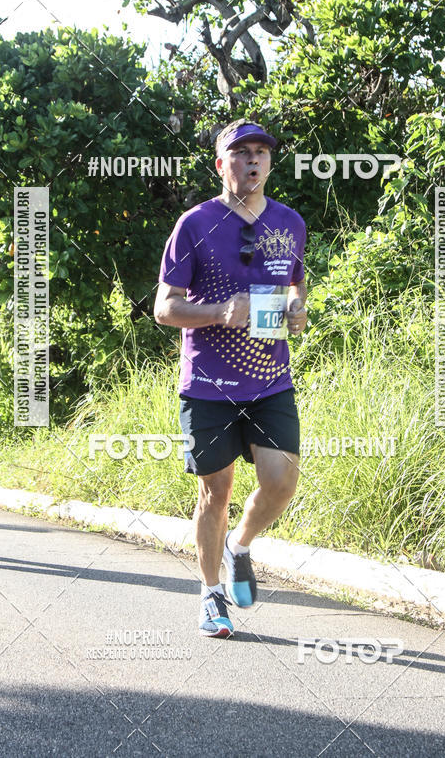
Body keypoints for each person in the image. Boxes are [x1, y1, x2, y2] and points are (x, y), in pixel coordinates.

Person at [154, 119, 307, 637]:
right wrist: (221, 311)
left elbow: (294, 285)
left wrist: (296, 308)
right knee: (214, 492)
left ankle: (240, 545)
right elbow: (164, 308)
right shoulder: (194, 224)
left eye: (261, 153)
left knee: (282, 481)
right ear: (222, 164)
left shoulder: (290, 222)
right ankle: (210, 593)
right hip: (208, 385)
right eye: (241, 154)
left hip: (270, 380)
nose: (253, 161)